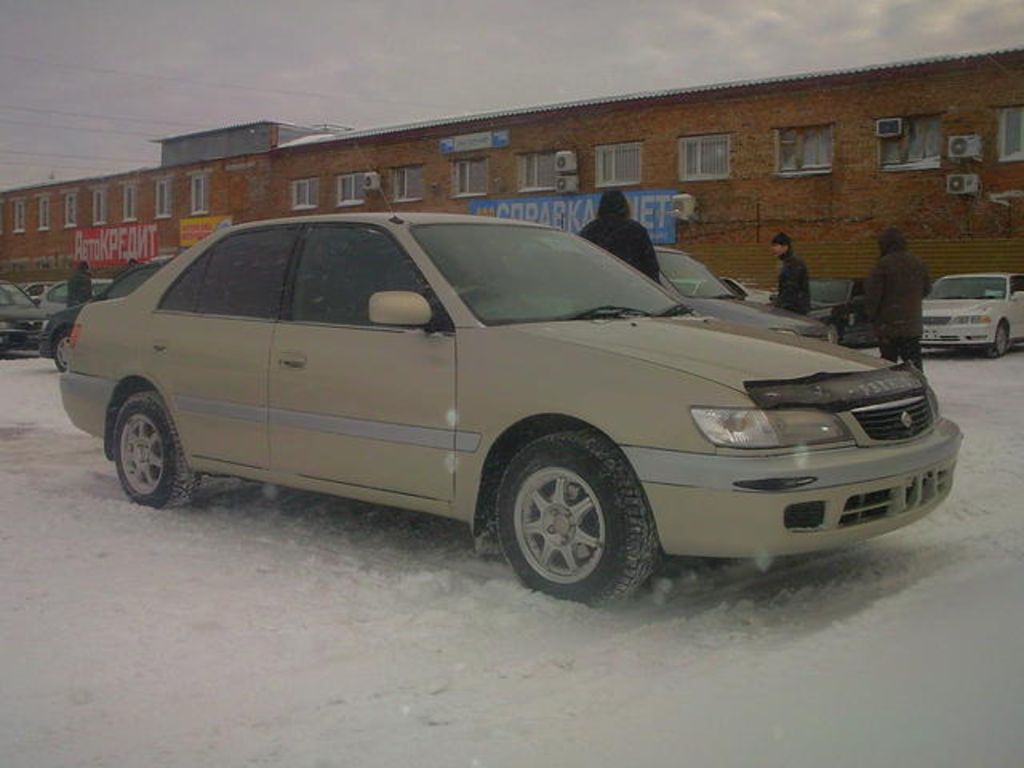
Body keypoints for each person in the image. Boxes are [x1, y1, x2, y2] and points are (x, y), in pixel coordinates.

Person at [865, 227, 931, 372]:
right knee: (914, 365)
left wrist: (870, 315)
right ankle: (920, 388)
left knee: (888, 366)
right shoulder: (918, 263)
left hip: (888, 326)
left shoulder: (882, 265)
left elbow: (873, 296)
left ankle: (893, 391)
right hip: (912, 326)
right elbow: (926, 290)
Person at [579, 190, 660, 281]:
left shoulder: (589, 231)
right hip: (631, 287)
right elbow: (651, 267)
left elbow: (581, 264)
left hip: (597, 286)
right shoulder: (636, 231)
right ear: (625, 207)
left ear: (601, 207)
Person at [770, 232, 810, 314]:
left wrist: (779, 304)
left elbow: (790, 288)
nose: (773, 249)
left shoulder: (794, 263)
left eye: (776, 245)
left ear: (785, 247)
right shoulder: (787, 262)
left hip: (794, 309)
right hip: (791, 307)